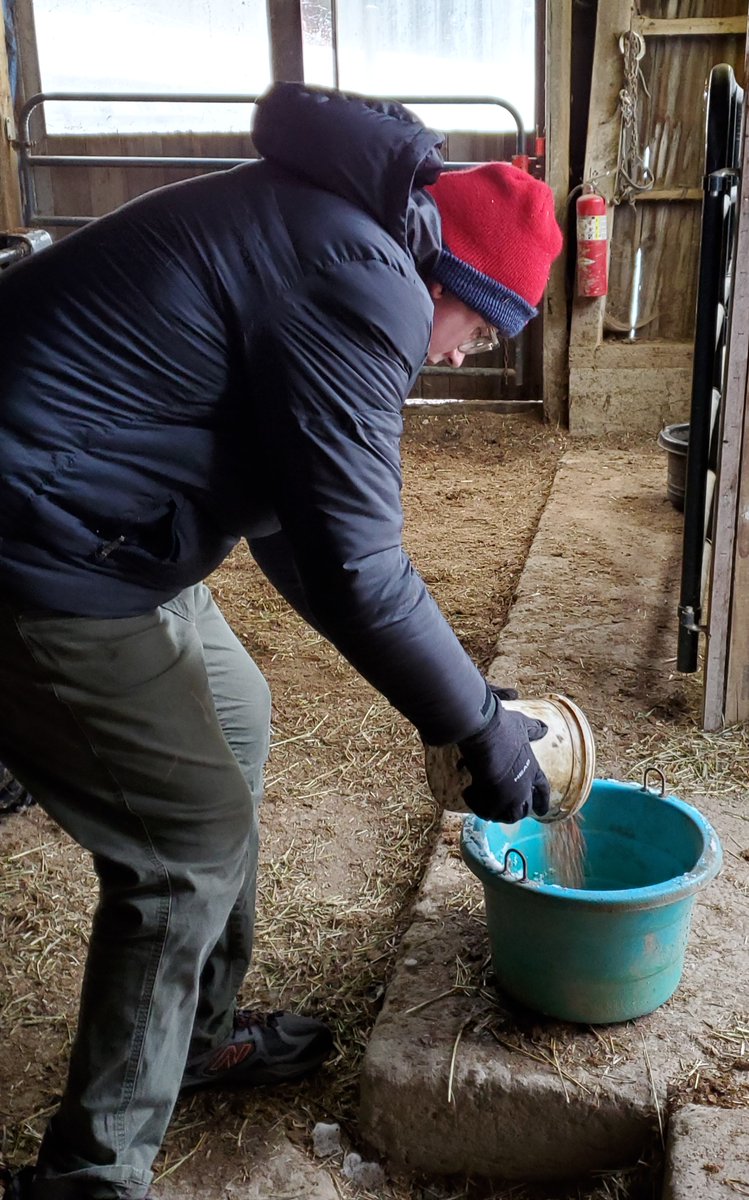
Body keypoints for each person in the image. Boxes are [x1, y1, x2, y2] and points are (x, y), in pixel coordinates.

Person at [0, 82, 563, 1199]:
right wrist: (475, 728)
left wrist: (462, 698)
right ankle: (90, 1176)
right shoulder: (362, 284)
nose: (460, 357)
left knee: (239, 716)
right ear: (456, 284)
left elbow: (304, 542)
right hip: (39, 537)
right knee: (186, 847)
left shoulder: (332, 235)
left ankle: (193, 1034)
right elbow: (357, 562)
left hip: (110, 520)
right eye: (485, 330)